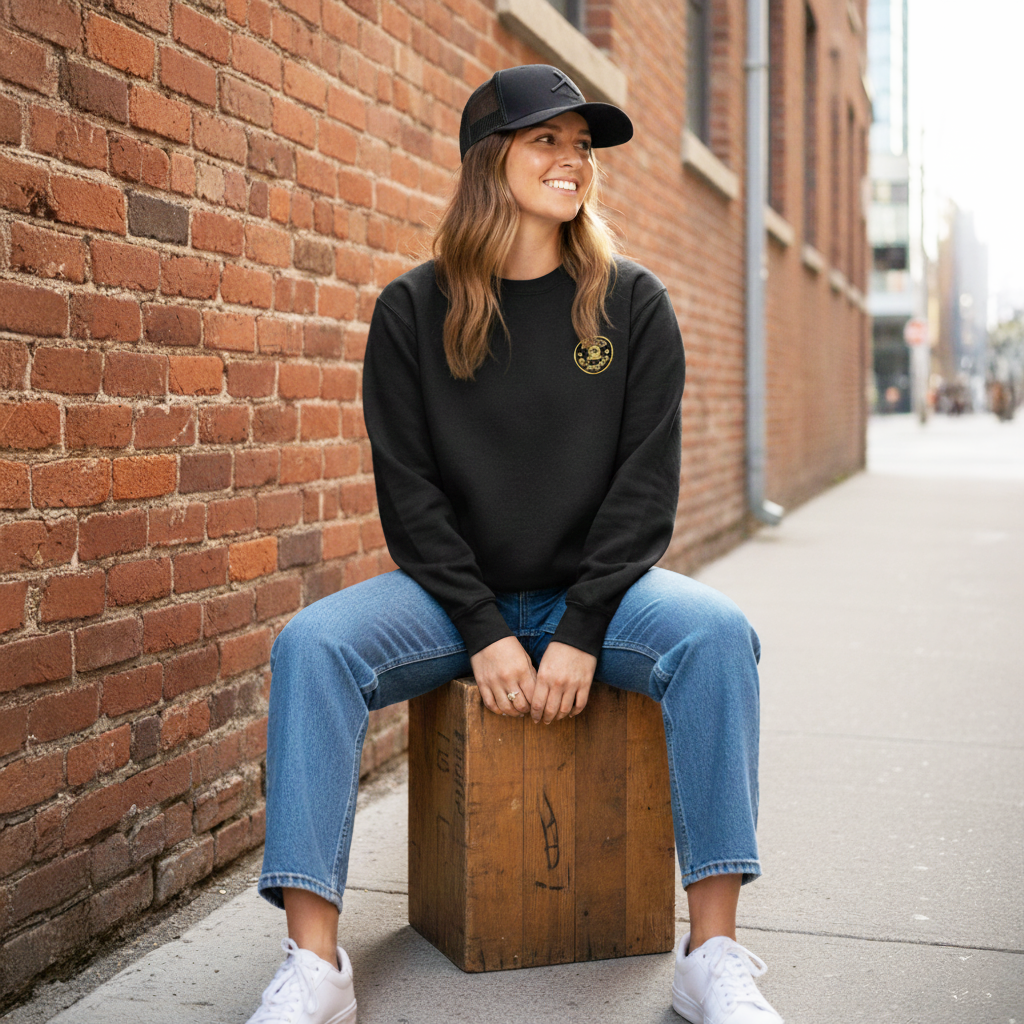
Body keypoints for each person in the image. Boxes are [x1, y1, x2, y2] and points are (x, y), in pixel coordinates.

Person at [244, 64, 783, 1024]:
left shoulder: (631, 303)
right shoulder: (412, 312)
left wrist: (579, 628)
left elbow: (644, 490)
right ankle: (313, 968)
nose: (573, 161)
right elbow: (409, 497)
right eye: (549, 141)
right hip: (456, 603)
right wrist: (486, 629)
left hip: (605, 599)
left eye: (582, 146)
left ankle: (713, 954)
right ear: (491, 160)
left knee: (716, 635)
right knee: (312, 647)